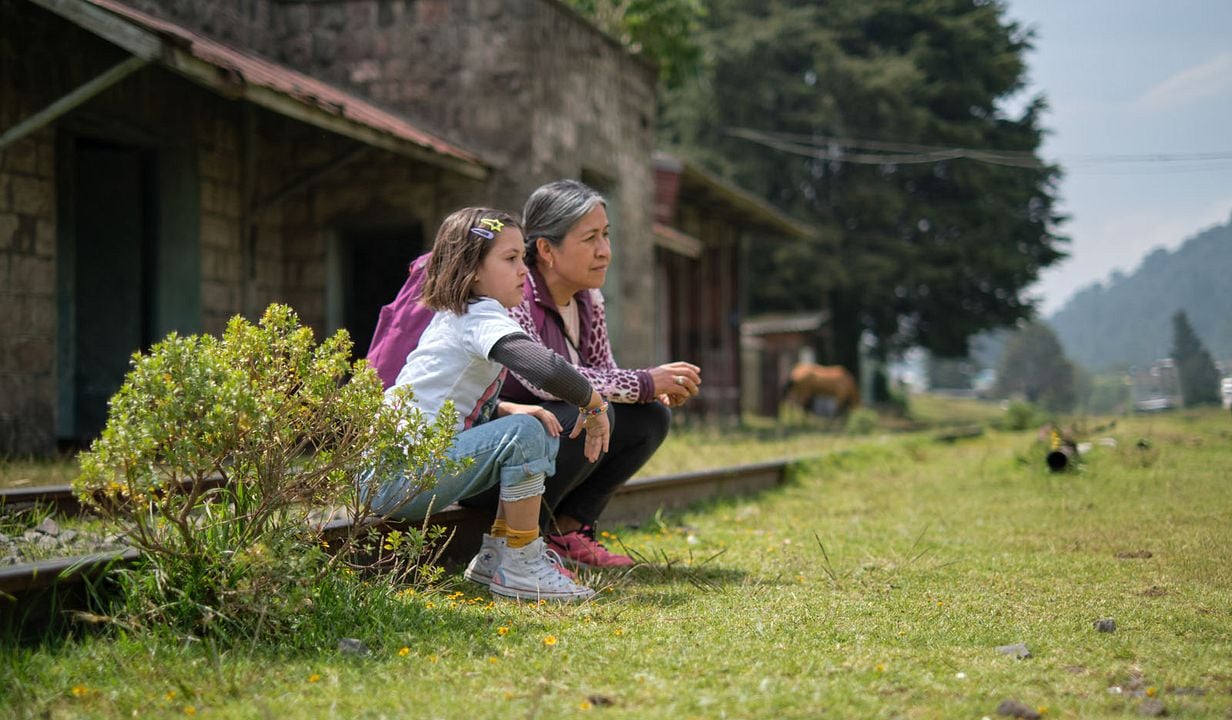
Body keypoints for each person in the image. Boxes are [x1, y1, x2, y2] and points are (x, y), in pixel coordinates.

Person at [365, 207, 610, 602]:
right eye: (510, 259)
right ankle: (522, 564)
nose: (524, 270)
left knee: (531, 425)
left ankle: (496, 556)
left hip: (387, 473)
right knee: (527, 435)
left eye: (523, 258)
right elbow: (542, 367)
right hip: (402, 478)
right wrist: (593, 404)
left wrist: (508, 409)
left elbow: (444, 398)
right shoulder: (479, 316)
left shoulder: (452, 315)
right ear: (473, 270)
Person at [459, 180, 702, 569]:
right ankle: (528, 544)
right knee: (585, 411)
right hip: (492, 458)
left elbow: (603, 373)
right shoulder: (515, 292)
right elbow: (542, 378)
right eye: (590, 238)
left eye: (606, 235)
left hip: (542, 446)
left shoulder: (589, 298)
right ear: (546, 250)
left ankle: (569, 532)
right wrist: (642, 382)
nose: (605, 250)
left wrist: (649, 391)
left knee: (648, 416)